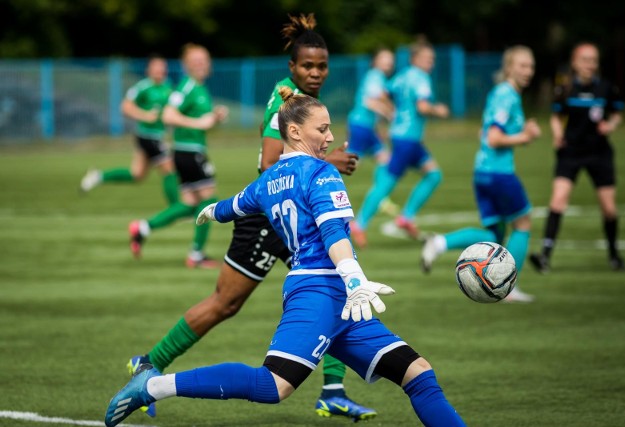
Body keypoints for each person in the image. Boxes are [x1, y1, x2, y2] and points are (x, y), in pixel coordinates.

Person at [105, 85, 467, 427]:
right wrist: (354, 277)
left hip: (334, 297)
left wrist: (211, 211)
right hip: (321, 291)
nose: (329, 137)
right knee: (272, 385)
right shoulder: (322, 172)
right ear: (294, 132)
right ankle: (153, 387)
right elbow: (333, 234)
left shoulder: (269, 179)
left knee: (418, 373)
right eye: (322, 129)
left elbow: (236, 205)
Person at [125, 14, 373, 421]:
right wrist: (330, 158)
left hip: (290, 217)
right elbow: (272, 166)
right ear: (292, 66)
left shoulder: (302, 104)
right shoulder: (285, 103)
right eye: (307, 65)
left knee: (335, 287)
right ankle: (147, 364)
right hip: (270, 218)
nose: (315, 72)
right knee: (227, 302)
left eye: (322, 65)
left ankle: (332, 390)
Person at [420, 45, 541, 303]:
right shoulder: (507, 95)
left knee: (495, 236)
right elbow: (494, 137)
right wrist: (526, 136)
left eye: (531, 66)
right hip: (499, 173)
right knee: (523, 223)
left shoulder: (499, 93)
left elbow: (484, 133)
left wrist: (520, 134)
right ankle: (509, 288)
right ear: (509, 67)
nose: (528, 71)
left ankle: (439, 243)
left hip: (482, 172)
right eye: (522, 65)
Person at [128, 43, 229, 269]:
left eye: (204, 59)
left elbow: (199, 123)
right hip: (188, 152)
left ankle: (143, 228)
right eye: (196, 60)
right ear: (186, 65)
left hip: (190, 150)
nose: (201, 64)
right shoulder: (188, 86)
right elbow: (168, 115)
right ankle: (196, 255)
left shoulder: (199, 88)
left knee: (190, 202)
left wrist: (214, 118)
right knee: (209, 200)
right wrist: (198, 122)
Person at [529, 42, 625, 272]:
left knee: (609, 209)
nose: (590, 65)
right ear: (574, 62)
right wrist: (558, 133)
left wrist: (610, 125)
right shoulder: (565, 89)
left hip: (599, 153)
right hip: (570, 152)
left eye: (593, 60)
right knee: (558, 200)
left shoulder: (605, 88)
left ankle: (613, 255)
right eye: (585, 59)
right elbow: (555, 116)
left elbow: (617, 113)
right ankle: (545, 257)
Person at [350, 41, 450, 248]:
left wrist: (393, 114)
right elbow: (422, 107)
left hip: (403, 137)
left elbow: (387, 93)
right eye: (427, 58)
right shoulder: (421, 78)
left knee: (433, 174)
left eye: (432, 59)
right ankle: (360, 223)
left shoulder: (402, 76)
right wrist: (438, 110)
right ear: (415, 58)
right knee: (387, 182)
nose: (431, 62)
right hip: (407, 139)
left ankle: (405, 217)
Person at [80, 56, 178, 205]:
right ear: (149, 70)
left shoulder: (168, 87)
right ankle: (176, 209)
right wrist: (144, 115)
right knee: (169, 169)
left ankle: (98, 176)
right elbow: (125, 107)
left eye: (162, 67)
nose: (160, 70)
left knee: (136, 174)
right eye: (156, 67)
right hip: (148, 135)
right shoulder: (142, 87)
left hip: (158, 135)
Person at [346, 48, 398, 216]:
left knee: (385, 159)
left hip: (367, 127)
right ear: (376, 61)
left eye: (390, 59)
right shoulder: (375, 75)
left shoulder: (379, 77)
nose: (389, 62)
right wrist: (391, 114)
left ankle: (381, 197)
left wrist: (380, 126)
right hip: (360, 126)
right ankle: (319, 183)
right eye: (384, 58)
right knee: (350, 163)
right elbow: (369, 102)